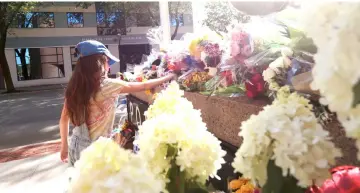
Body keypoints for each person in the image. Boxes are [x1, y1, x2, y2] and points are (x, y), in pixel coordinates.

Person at [59, 40, 176, 165]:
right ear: (99, 64)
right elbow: (143, 86)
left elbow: (63, 120)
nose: (109, 67)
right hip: (95, 151)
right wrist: (169, 76)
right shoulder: (107, 86)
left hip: (75, 145)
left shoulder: (74, 88)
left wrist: (64, 146)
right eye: (107, 62)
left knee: (79, 183)